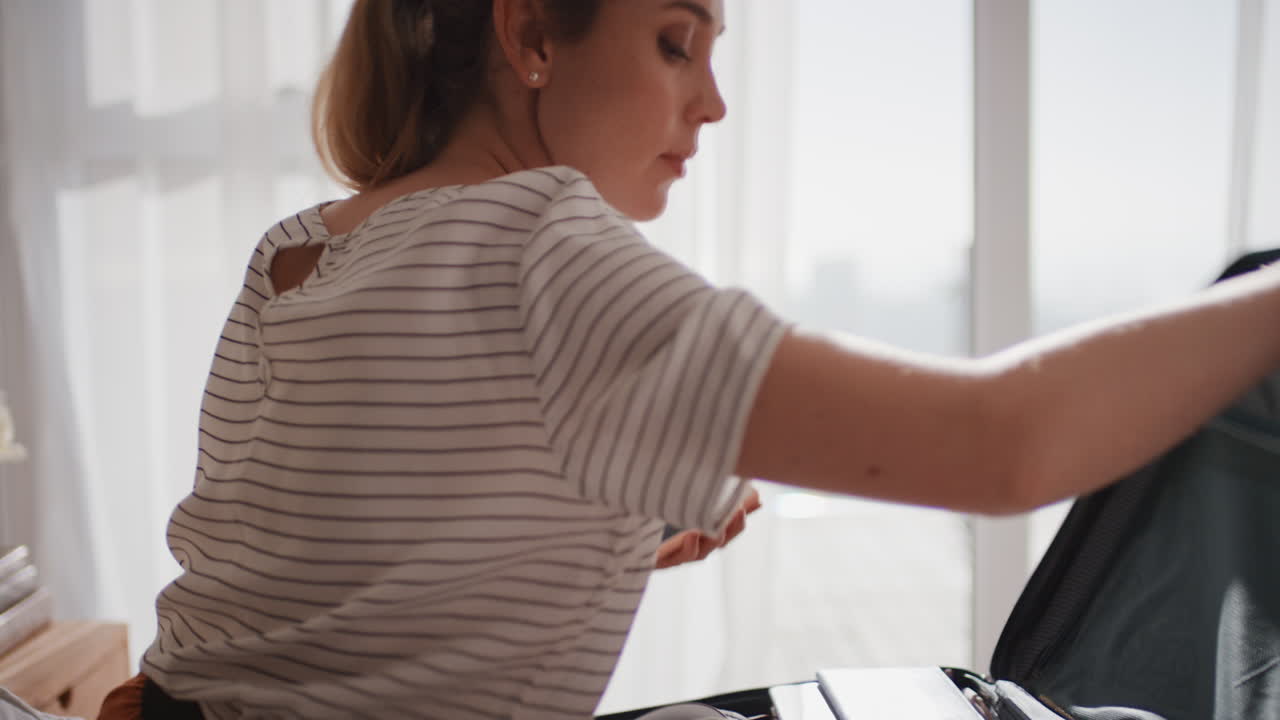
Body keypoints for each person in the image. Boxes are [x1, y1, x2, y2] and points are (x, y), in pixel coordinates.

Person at [95, 0, 1280, 718]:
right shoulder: (540, 242)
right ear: (528, 35)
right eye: (674, 43)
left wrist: (578, 528)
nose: (712, 103)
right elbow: (995, 442)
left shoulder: (299, 246)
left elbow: (332, 550)